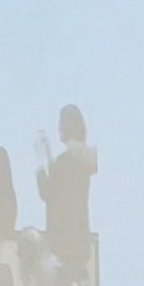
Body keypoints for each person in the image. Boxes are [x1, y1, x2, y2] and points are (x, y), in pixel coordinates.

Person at [36, 106, 96, 275]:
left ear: (65, 128)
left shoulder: (63, 163)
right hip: (80, 240)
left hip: (62, 242)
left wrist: (40, 163)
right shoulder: (86, 158)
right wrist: (49, 155)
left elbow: (47, 193)